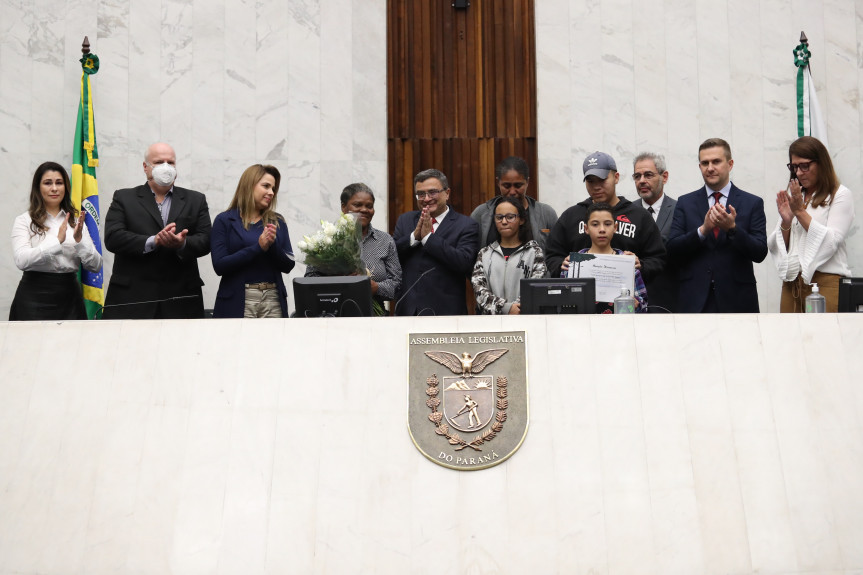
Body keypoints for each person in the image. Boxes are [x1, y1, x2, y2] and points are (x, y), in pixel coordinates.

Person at [102, 142, 212, 319]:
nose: (166, 167)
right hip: (132, 298)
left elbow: (206, 240)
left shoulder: (195, 199)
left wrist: (183, 243)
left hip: (181, 300)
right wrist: (153, 241)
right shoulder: (124, 197)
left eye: (171, 162)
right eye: (159, 162)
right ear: (146, 167)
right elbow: (113, 237)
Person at [667, 138, 767, 313]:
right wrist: (702, 230)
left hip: (738, 300)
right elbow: (672, 250)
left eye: (716, 162)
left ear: (730, 164)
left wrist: (732, 229)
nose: (710, 168)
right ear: (700, 167)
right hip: (694, 300)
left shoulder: (752, 203)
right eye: (704, 163)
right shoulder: (685, 202)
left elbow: (760, 252)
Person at [544, 151, 666, 281]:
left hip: (625, 297)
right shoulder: (571, 216)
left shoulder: (639, 216)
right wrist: (561, 266)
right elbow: (552, 255)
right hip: (580, 297)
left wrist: (641, 266)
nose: (596, 187)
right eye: (591, 181)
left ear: (616, 177)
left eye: (602, 180)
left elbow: (658, 258)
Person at [767, 136, 855, 312]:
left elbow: (831, 241)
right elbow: (777, 245)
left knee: (824, 337)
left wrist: (799, 213)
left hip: (825, 283)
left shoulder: (840, 195)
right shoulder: (796, 195)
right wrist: (786, 221)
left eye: (805, 166)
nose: (799, 172)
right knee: (787, 337)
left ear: (821, 163)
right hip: (792, 284)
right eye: (794, 167)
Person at [9, 162, 102, 320]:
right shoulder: (24, 220)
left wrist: (80, 241)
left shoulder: (76, 221)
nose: (54, 188)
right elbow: (21, 260)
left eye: (59, 183)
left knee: (72, 343)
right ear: (38, 187)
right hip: (33, 295)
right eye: (47, 183)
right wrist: (56, 241)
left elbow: (96, 266)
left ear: (66, 187)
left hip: (69, 295)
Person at [210, 164, 296, 318]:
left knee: (273, 342)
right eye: (266, 186)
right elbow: (219, 265)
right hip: (237, 298)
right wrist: (258, 247)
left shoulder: (277, 221)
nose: (271, 192)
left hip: (272, 298)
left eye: (273, 188)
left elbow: (288, 265)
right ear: (249, 185)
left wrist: (272, 245)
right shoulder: (225, 220)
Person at [393, 168, 480, 316]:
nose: (426, 199)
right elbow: (392, 256)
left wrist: (428, 239)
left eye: (432, 192)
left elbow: (464, 263)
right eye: (420, 194)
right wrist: (414, 237)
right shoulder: (405, 220)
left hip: (446, 312)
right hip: (407, 311)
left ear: (447, 193)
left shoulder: (466, 225)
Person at [304, 183, 401, 314]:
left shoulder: (385, 241)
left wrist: (376, 288)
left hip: (374, 318)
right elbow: (310, 279)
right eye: (357, 205)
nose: (364, 210)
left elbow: (397, 284)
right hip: (333, 316)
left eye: (369, 206)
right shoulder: (327, 239)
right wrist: (339, 280)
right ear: (344, 207)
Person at [563, 202, 647, 314]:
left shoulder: (627, 262)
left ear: (615, 227)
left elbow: (644, 305)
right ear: (586, 229)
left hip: (620, 327)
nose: (602, 229)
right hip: (582, 327)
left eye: (607, 224)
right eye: (595, 224)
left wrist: (636, 305)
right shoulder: (573, 263)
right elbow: (563, 303)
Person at [472, 197, 547, 315]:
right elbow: (479, 290)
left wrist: (516, 308)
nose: (504, 221)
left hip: (524, 319)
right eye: (499, 217)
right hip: (491, 324)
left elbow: (535, 286)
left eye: (510, 217)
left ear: (521, 220)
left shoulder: (534, 252)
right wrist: (505, 308)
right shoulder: (484, 254)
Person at [470, 156, 558, 252]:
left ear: (527, 182)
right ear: (498, 183)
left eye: (518, 185)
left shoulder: (546, 213)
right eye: (506, 186)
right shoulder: (481, 214)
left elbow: (557, 252)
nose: (512, 192)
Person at [633, 152, 678, 312]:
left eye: (648, 175)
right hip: (634, 301)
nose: (642, 181)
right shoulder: (627, 212)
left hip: (669, 299)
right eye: (637, 176)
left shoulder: (680, 210)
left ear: (664, 177)